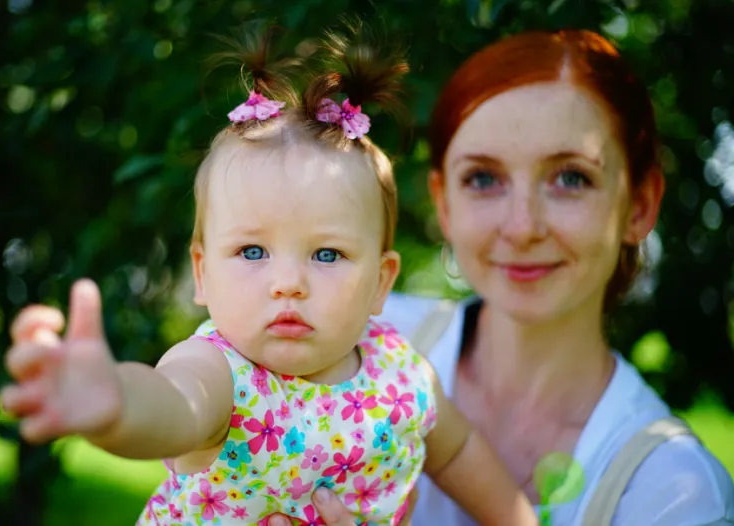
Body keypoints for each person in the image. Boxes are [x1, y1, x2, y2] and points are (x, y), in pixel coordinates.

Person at [0, 23, 537, 526]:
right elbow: (173, 405)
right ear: (203, 273)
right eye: (252, 251)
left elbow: (461, 453)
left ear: (381, 281)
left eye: (327, 254)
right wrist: (116, 403)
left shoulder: (402, 374)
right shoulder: (222, 374)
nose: (288, 283)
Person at [268, 28, 734, 526]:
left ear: (639, 206)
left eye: (571, 177)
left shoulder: (675, 492)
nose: (522, 227)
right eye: (483, 179)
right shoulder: (347, 342)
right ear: (445, 203)